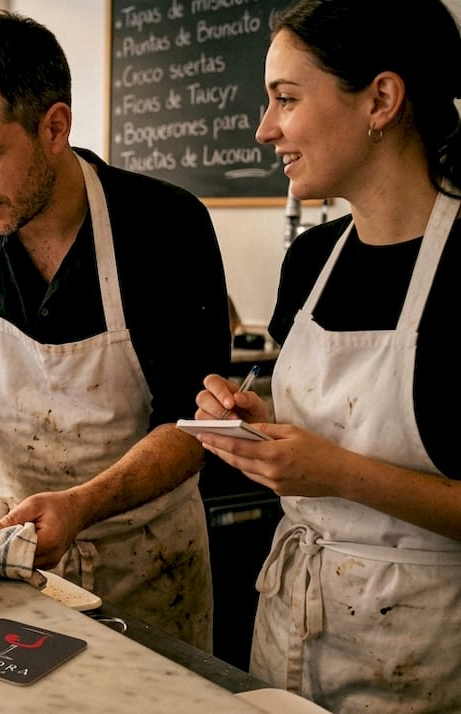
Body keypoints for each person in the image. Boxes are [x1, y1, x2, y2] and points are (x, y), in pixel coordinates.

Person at [0, 11, 228, 649]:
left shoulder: (165, 227)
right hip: (3, 555)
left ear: (55, 127)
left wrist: (83, 503)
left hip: (148, 561)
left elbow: (195, 424)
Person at [192, 1, 461, 710]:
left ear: (380, 99)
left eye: (285, 99)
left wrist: (334, 472)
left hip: (426, 647)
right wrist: (258, 420)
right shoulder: (312, 259)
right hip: (291, 626)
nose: (264, 127)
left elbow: (351, 453)